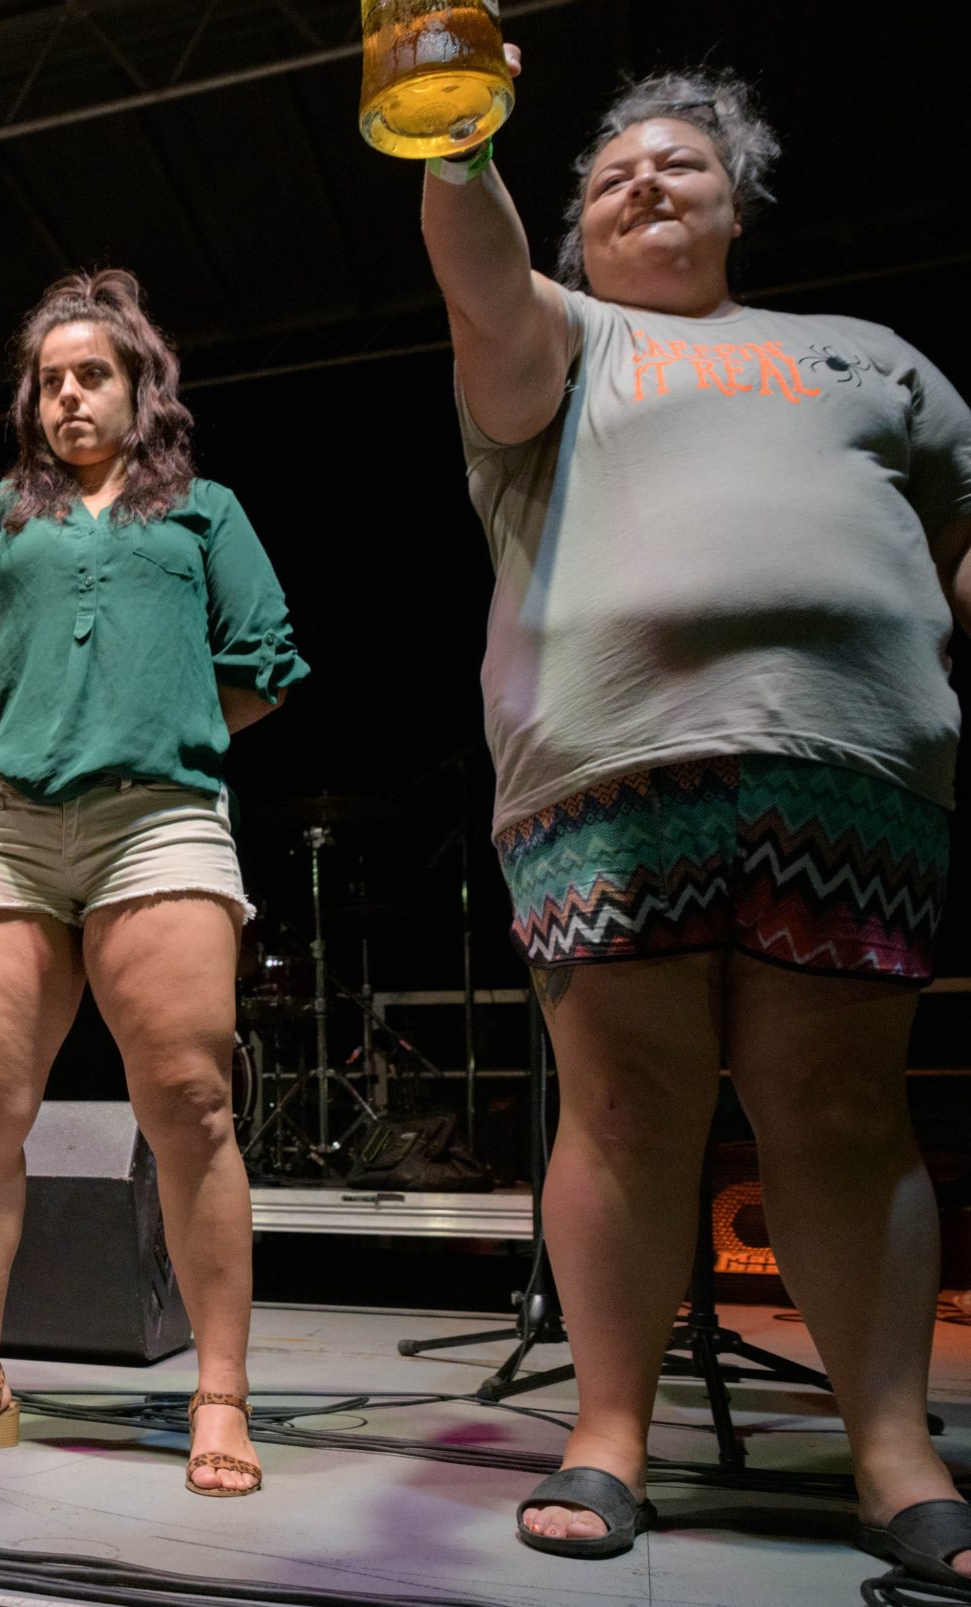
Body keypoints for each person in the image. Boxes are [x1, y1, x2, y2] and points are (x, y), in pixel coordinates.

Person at [416, 59, 971, 1576]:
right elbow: (476, 268)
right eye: (611, 178)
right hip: (610, 762)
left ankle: (895, 1448)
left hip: (847, 764)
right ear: (575, 230)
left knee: (847, 1110)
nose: (646, 186)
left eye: (680, 167)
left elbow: (953, 551)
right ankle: (607, 1431)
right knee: (624, 1108)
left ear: (741, 200)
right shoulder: (562, 335)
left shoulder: (875, 359)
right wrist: (457, 130)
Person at [0, 275, 305, 1491]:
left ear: (141, 386)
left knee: (190, 1102)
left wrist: (158, 732)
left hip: (160, 824)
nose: (67, 396)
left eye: (90, 373)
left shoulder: (205, 511)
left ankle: (218, 1390)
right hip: (4, 823)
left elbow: (263, 664)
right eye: (48, 380)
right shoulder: (6, 513)